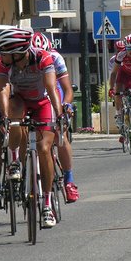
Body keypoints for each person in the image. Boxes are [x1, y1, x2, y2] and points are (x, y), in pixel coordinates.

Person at [0, 28, 65, 228]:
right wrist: (5, 118)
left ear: (18, 51)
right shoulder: (3, 64)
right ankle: (15, 159)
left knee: (44, 150)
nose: (1, 56)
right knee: (14, 110)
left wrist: (59, 116)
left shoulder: (42, 57)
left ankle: (47, 204)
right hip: (20, 102)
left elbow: (51, 88)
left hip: (42, 103)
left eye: (4, 51)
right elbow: (2, 90)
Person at [31, 33, 79, 203]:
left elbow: (67, 89)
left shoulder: (55, 57)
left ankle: (69, 180)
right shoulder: (25, 59)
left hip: (53, 93)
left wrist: (65, 106)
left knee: (61, 134)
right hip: (34, 95)